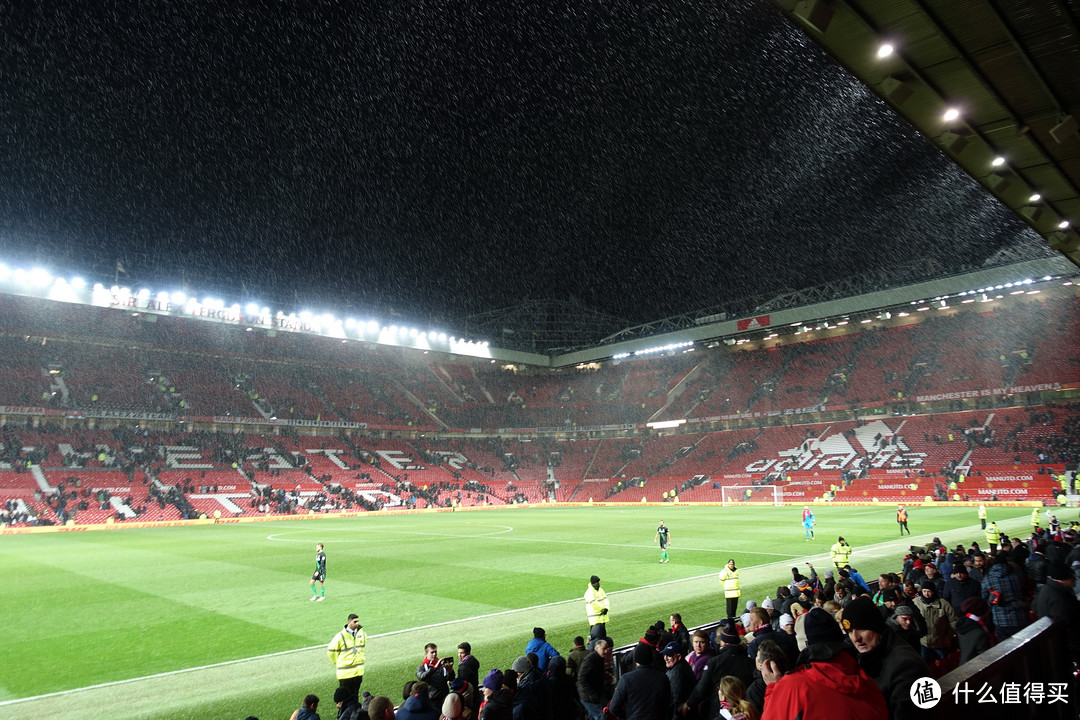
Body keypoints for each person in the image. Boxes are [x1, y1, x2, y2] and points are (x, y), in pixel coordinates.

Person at [842, 596, 928, 720]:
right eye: (850, 631)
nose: (856, 638)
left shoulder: (906, 667)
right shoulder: (869, 655)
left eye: (861, 629)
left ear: (876, 627)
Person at [609, 642, 672, 720]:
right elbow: (668, 704)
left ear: (636, 660)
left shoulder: (626, 679)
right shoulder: (663, 678)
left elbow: (613, 707)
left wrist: (627, 716)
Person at [327, 614, 367, 706]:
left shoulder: (362, 634)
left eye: (358, 621)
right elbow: (331, 652)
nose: (357, 623)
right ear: (348, 622)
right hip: (345, 675)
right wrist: (337, 662)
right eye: (355, 621)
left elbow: (361, 649)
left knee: (355, 697)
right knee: (344, 700)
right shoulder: (340, 636)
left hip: (358, 673)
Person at [577, 637, 614, 720]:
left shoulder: (599, 658)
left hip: (594, 694)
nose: (606, 651)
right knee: (600, 717)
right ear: (596, 648)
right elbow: (582, 677)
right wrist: (592, 694)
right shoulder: (590, 660)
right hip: (588, 696)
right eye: (604, 649)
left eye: (607, 649)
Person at [660, 641, 696, 719]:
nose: (665, 658)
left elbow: (676, 703)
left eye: (669, 656)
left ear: (678, 656)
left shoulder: (677, 673)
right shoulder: (682, 666)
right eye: (665, 655)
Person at [416, 643, 453, 709]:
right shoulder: (423, 667)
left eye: (435, 652)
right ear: (426, 654)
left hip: (445, 697)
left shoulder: (441, 665)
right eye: (432, 652)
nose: (434, 654)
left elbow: (449, 679)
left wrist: (450, 672)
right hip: (433, 700)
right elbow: (421, 677)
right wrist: (434, 668)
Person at [585, 575, 610, 641]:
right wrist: (602, 609)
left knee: (603, 636)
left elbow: (605, 599)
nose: (598, 583)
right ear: (593, 583)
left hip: (602, 618)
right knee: (595, 636)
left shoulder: (600, 590)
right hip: (595, 619)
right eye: (597, 582)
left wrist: (606, 608)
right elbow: (593, 603)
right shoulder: (589, 592)